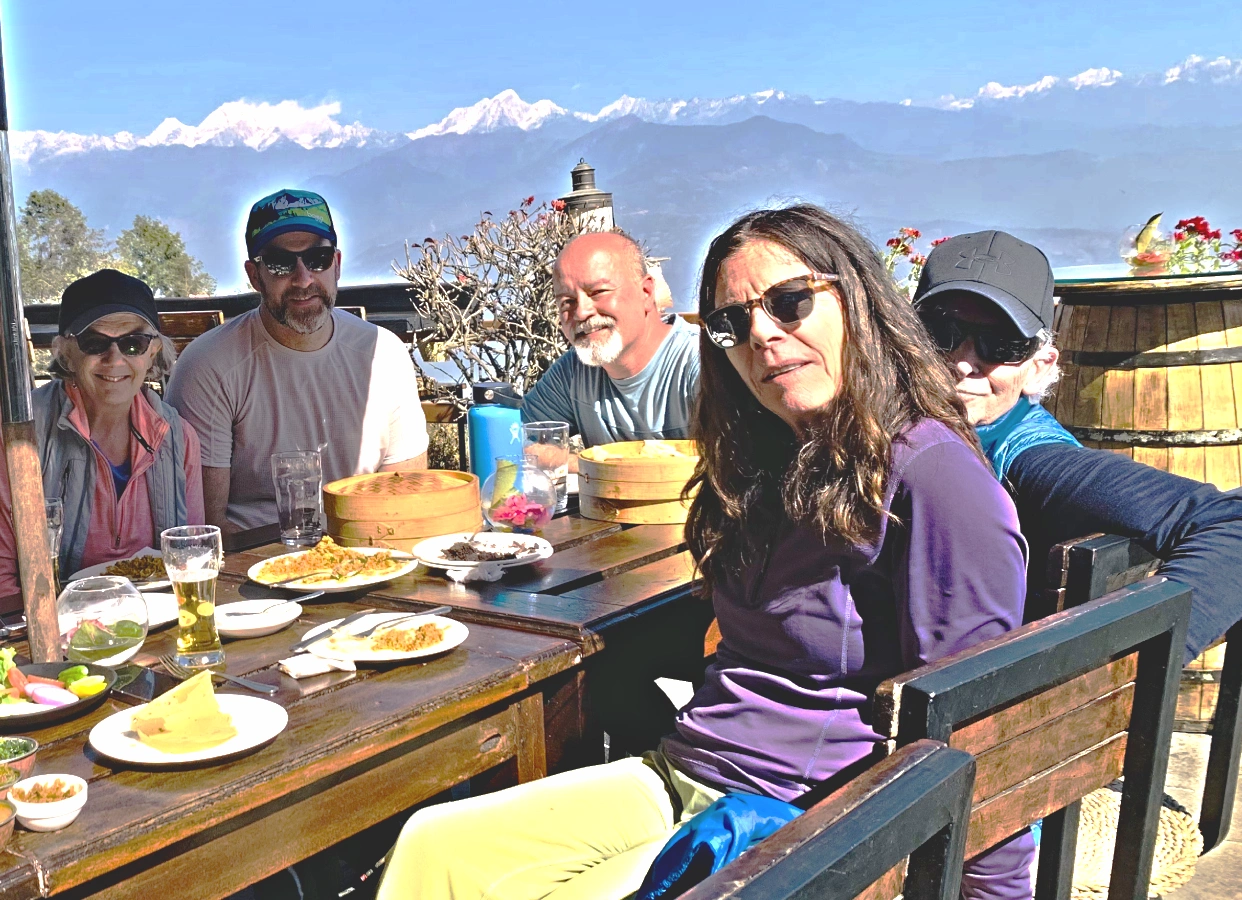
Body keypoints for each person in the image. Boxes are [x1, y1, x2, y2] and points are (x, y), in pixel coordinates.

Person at [374, 206, 1034, 900]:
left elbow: (982, 725)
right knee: (435, 848)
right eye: (733, 323)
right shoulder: (769, 460)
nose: (764, 336)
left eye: (790, 302)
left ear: (858, 298)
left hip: (802, 820)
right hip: (687, 770)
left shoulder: (931, 474)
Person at [915, 230, 1242, 663]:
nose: (962, 360)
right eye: (941, 332)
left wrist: (1118, 674)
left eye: (1002, 345)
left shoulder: (1033, 459)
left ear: (1039, 367)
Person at [166, 189, 429, 532]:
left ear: (336, 265)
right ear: (254, 275)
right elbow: (203, 528)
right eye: (280, 263)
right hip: (251, 569)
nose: (303, 279)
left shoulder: (385, 354)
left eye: (317, 259)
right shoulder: (209, 367)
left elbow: (405, 500)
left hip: (368, 554)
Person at [0, 270, 204, 601]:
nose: (115, 359)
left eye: (133, 343)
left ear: (153, 352)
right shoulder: (21, 437)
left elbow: (192, 554)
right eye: (94, 343)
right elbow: (3, 583)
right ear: (66, 352)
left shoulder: (178, 438)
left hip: (161, 620)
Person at [521, 231, 700, 447]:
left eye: (598, 292)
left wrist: (596, 468)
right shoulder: (574, 374)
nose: (581, 312)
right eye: (567, 302)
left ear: (646, 292)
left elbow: (739, 464)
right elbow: (517, 440)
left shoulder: (703, 364)